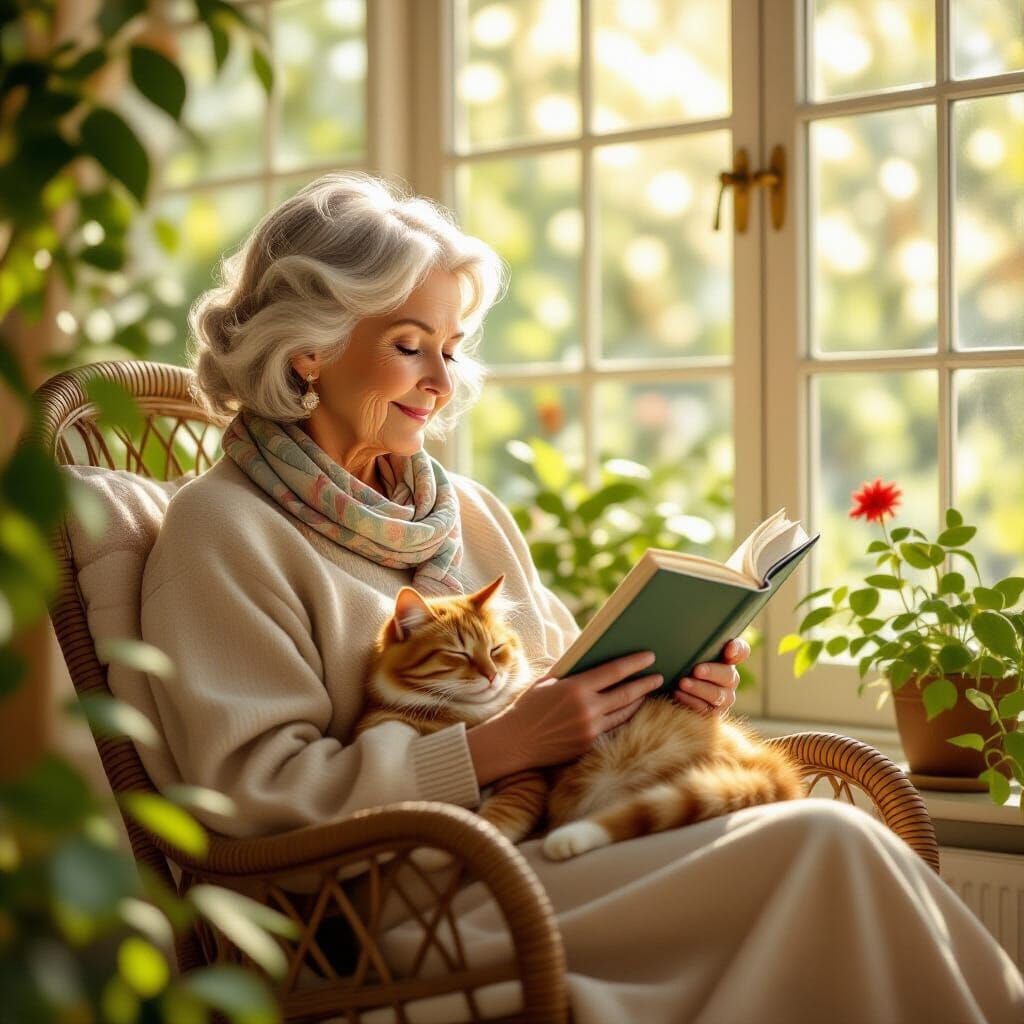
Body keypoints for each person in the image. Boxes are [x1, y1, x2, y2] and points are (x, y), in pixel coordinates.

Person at [138, 172, 1024, 1023]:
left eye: (449, 351)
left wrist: (662, 693)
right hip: (413, 911)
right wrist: (489, 752)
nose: (443, 385)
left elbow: (561, 682)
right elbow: (247, 801)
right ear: (308, 350)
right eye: (411, 346)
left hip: (547, 843)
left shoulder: (463, 511)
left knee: (833, 842)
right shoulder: (221, 528)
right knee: (829, 846)